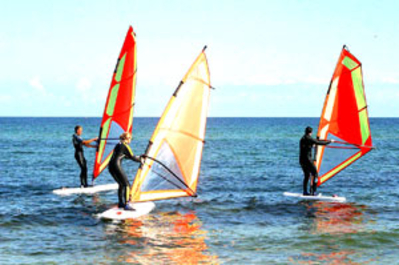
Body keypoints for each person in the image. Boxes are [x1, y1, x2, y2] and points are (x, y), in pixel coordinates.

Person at [108, 132, 143, 210]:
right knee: (126, 185)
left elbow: (125, 156)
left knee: (121, 184)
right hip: (116, 166)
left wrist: (139, 157)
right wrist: (141, 160)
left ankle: (121, 203)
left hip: (110, 166)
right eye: (130, 138)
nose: (131, 140)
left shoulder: (118, 145)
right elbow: (132, 157)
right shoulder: (125, 146)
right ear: (127, 138)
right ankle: (127, 204)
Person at [299, 126, 333, 196]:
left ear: (305, 132)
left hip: (301, 160)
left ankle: (305, 192)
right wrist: (330, 141)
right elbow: (319, 142)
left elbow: (307, 145)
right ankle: (313, 192)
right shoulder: (310, 139)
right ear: (311, 132)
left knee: (307, 175)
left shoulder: (302, 139)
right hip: (308, 160)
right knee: (315, 174)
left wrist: (312, 145)